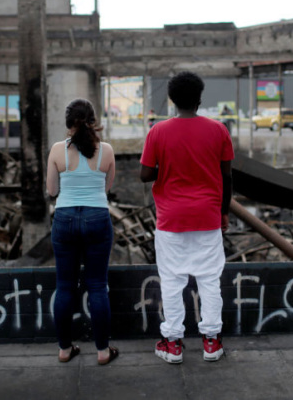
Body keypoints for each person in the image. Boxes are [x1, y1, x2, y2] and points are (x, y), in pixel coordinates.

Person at [140, 71, 234, 364]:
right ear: (200, 98)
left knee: (172, 281)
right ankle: (211, 343)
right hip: (207, 216)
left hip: (171, 220)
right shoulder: (219, 130)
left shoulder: (157, 131)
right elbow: (227, 178)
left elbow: (145, 174)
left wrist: (166, 166)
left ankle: (172, 343)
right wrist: (224, 213)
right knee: (209, 280)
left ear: (171, 99)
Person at [46, 98, 119, 366]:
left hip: (64, 218)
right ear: (93, 122)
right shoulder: (107, 150)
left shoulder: (57, 150)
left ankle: (65, 350)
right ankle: (102, 351)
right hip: (97, 217)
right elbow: (107, 188)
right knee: (98, 286)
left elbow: (52, 191)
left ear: (68, 124)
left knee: (65, 287)